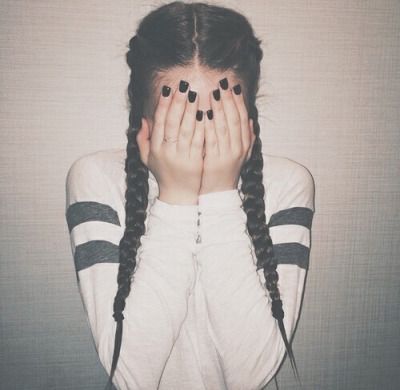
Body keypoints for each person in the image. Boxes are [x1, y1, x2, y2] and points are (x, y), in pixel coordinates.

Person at [65, 2, 315, 389]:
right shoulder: (96, 178)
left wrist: (220, 194)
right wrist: (175, 197)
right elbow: (131, 375)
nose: (199, 135)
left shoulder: (287, 184)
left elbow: (253, 374)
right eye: (180, 115)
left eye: (219, 115)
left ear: (247, 116)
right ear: (143, 116)